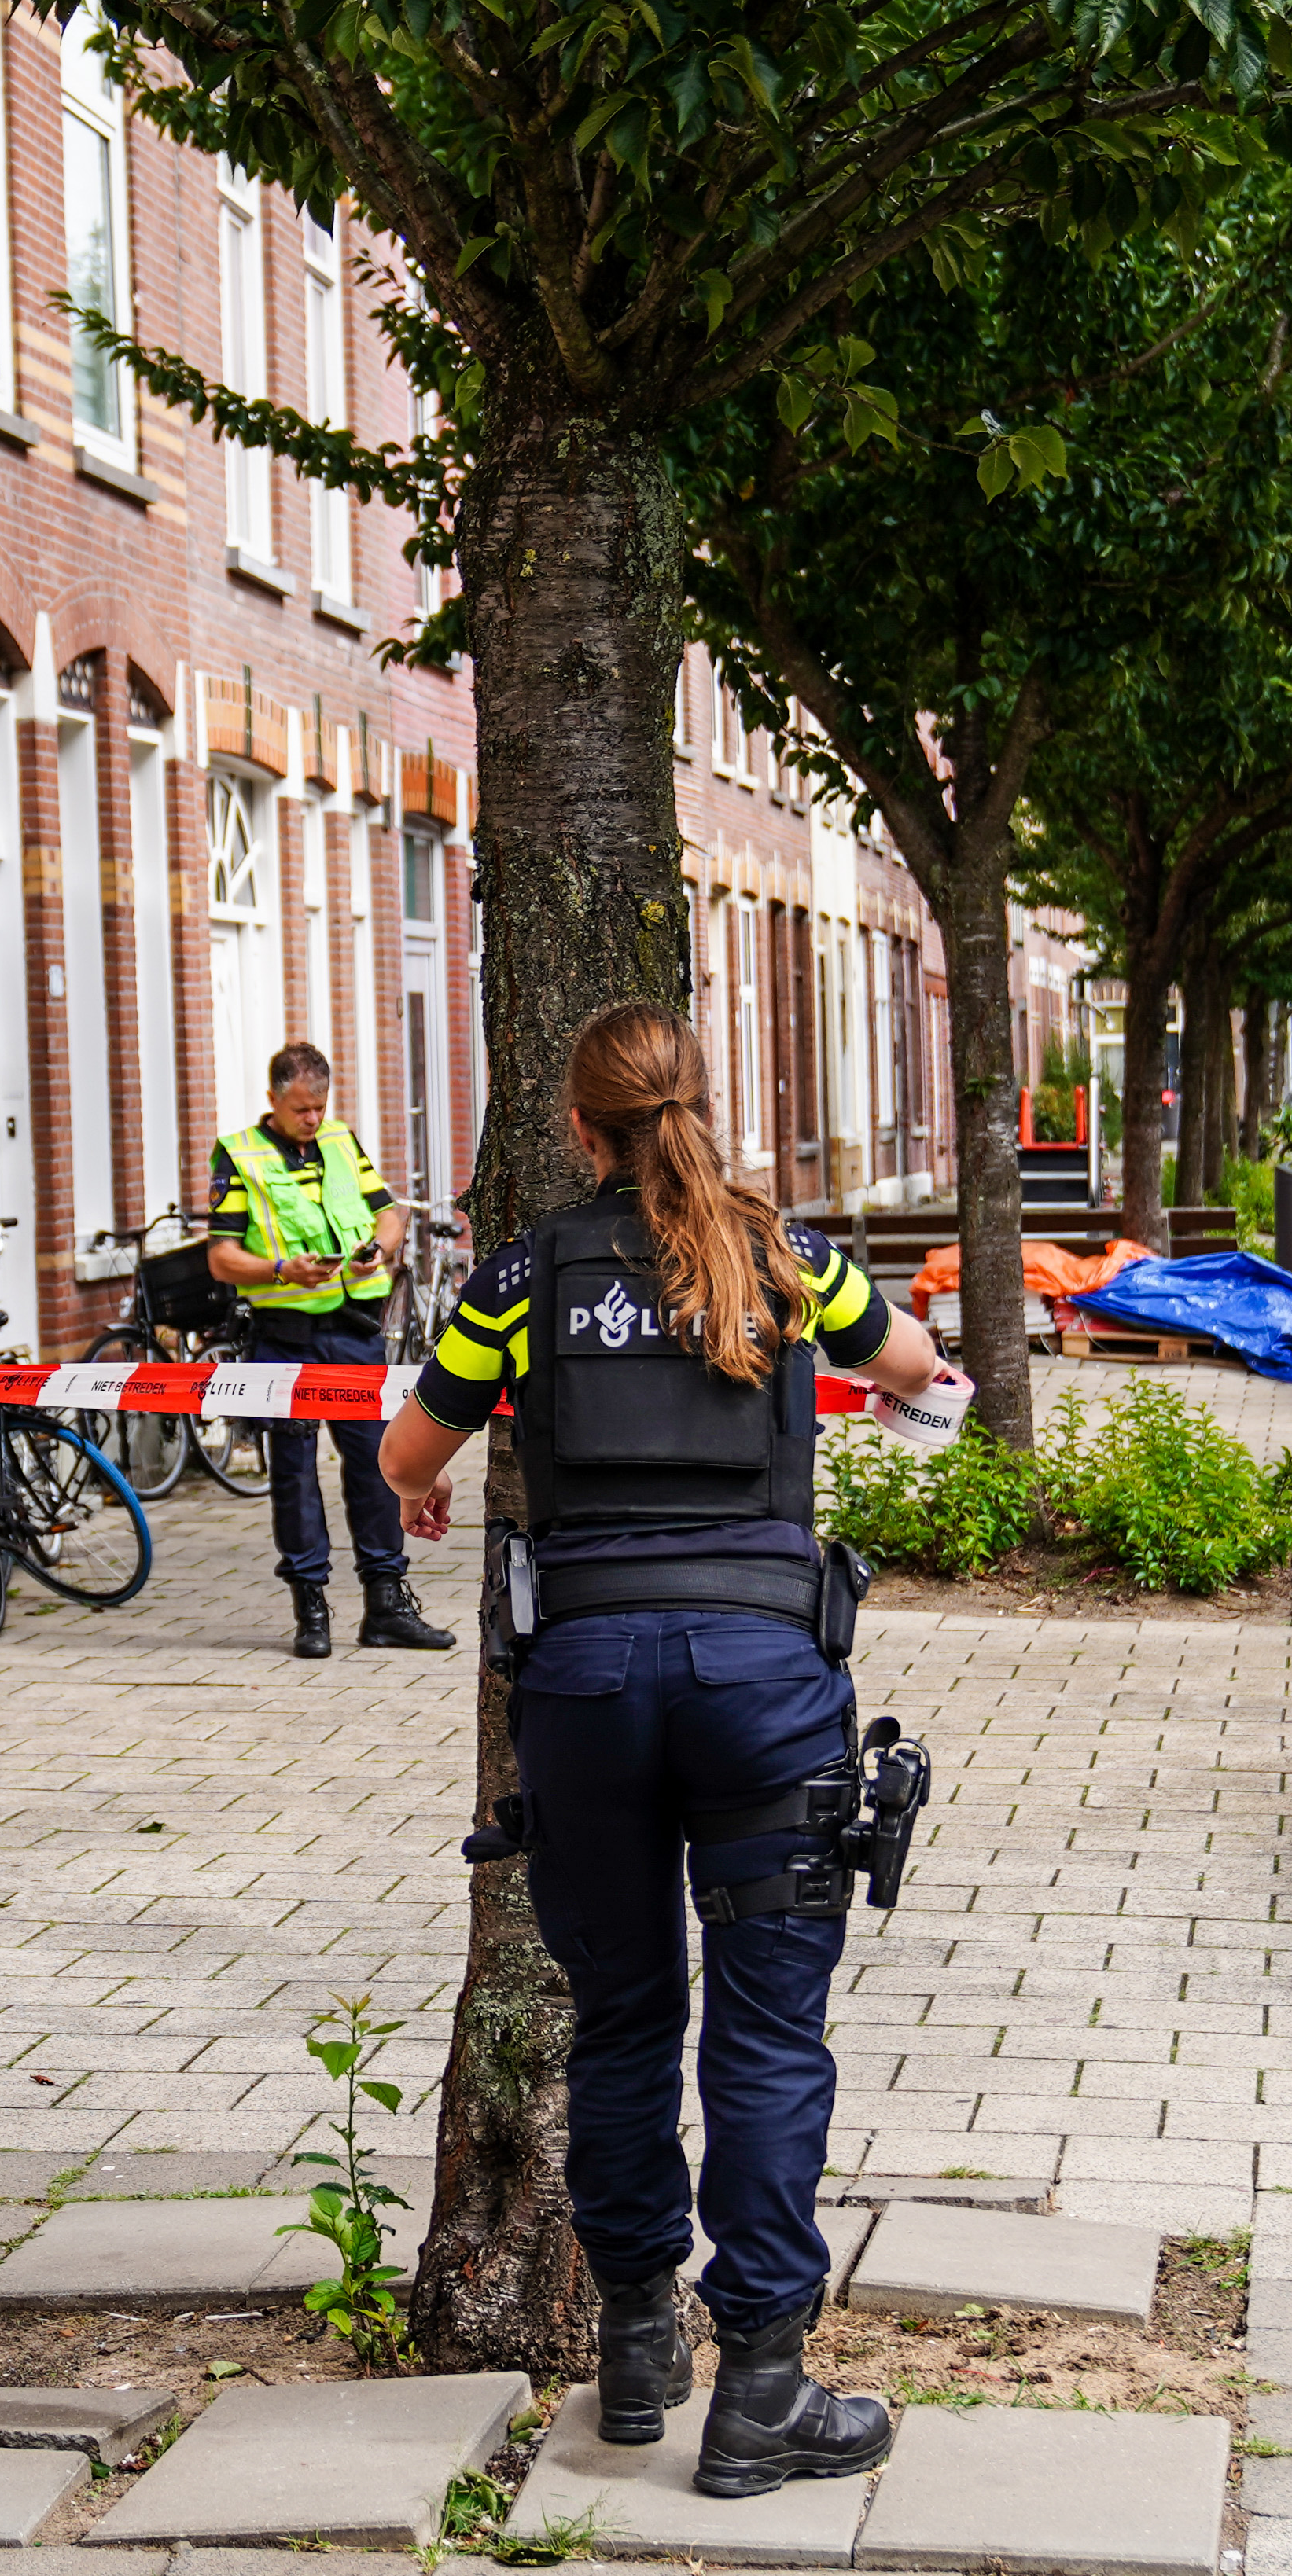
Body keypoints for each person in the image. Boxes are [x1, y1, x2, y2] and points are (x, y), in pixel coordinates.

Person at [377, 1003, 957, 2498]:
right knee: (766, 2035)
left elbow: (403, 1455)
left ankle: (637, 2341)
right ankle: (763, 2385)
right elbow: (916, 1363)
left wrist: (440, 1491)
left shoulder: (525, 1274)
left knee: (627, 2018)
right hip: (764, 1685)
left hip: (586, 1689)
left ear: (578, 1129)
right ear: (709, 1107)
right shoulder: (787, 1258)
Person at [209, 1042, 455, 1659]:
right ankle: (310, 1608)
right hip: (284, 1337)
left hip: (352, 1330)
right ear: (273, 1100)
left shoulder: (342, 1141)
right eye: (300, 1110)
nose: (312, 1119)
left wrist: (381, 1245)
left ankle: (386, 1604)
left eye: (319, 1107)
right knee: (293, 1473)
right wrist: (280, 1269)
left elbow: (389, 1213)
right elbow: (221, 1257)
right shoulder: (239, 1154)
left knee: (377, 1461)